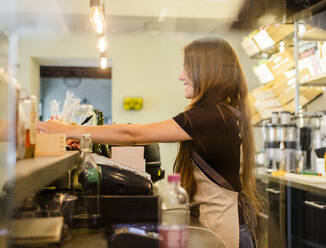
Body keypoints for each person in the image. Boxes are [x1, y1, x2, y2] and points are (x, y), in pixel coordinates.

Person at [37, 37, 259, 248]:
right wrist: (79, 137)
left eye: (187, 68)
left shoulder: (212, 117)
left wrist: (68, 131)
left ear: (207, 71)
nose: (181, 76)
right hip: (220, 223)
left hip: (226, 229)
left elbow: (131, 135)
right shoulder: (218, 114)